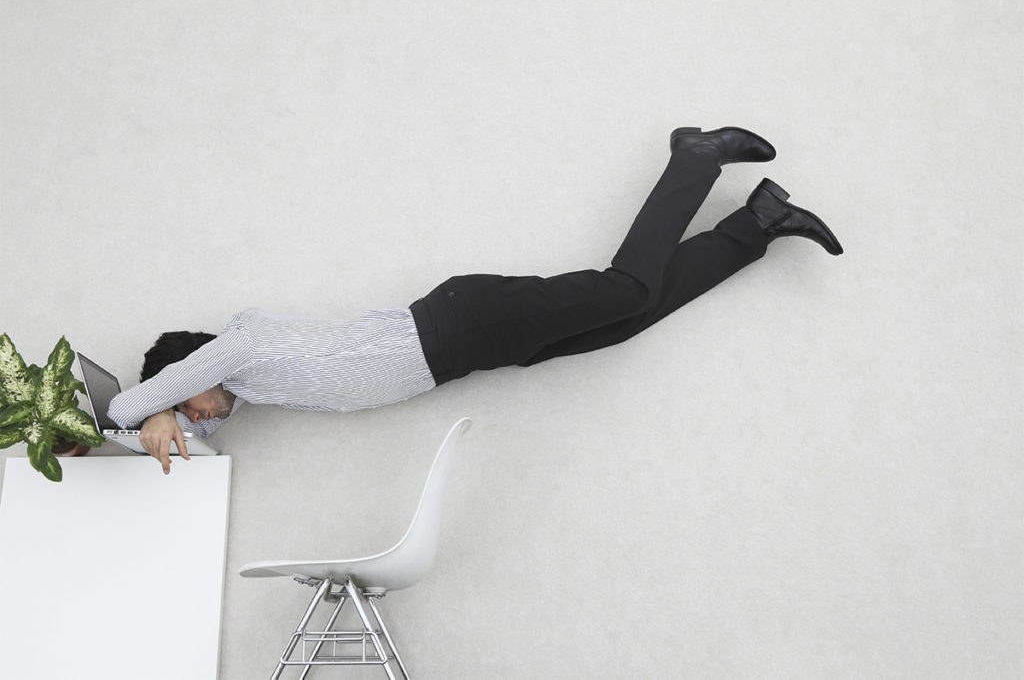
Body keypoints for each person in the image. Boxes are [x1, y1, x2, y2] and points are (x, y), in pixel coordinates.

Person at [109, 126, 842, 474]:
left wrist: (156, 406)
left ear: (192, 367)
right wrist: (172, 419)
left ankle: (694, 157)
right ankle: (759, 223)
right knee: (626, 321)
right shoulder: (252, 386)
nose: (199, 421)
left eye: (192, 406)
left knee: (624, 288)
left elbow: (123, 410)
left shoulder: (242, 344)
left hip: (460, 321)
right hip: (472, 352)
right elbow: (175, 436)